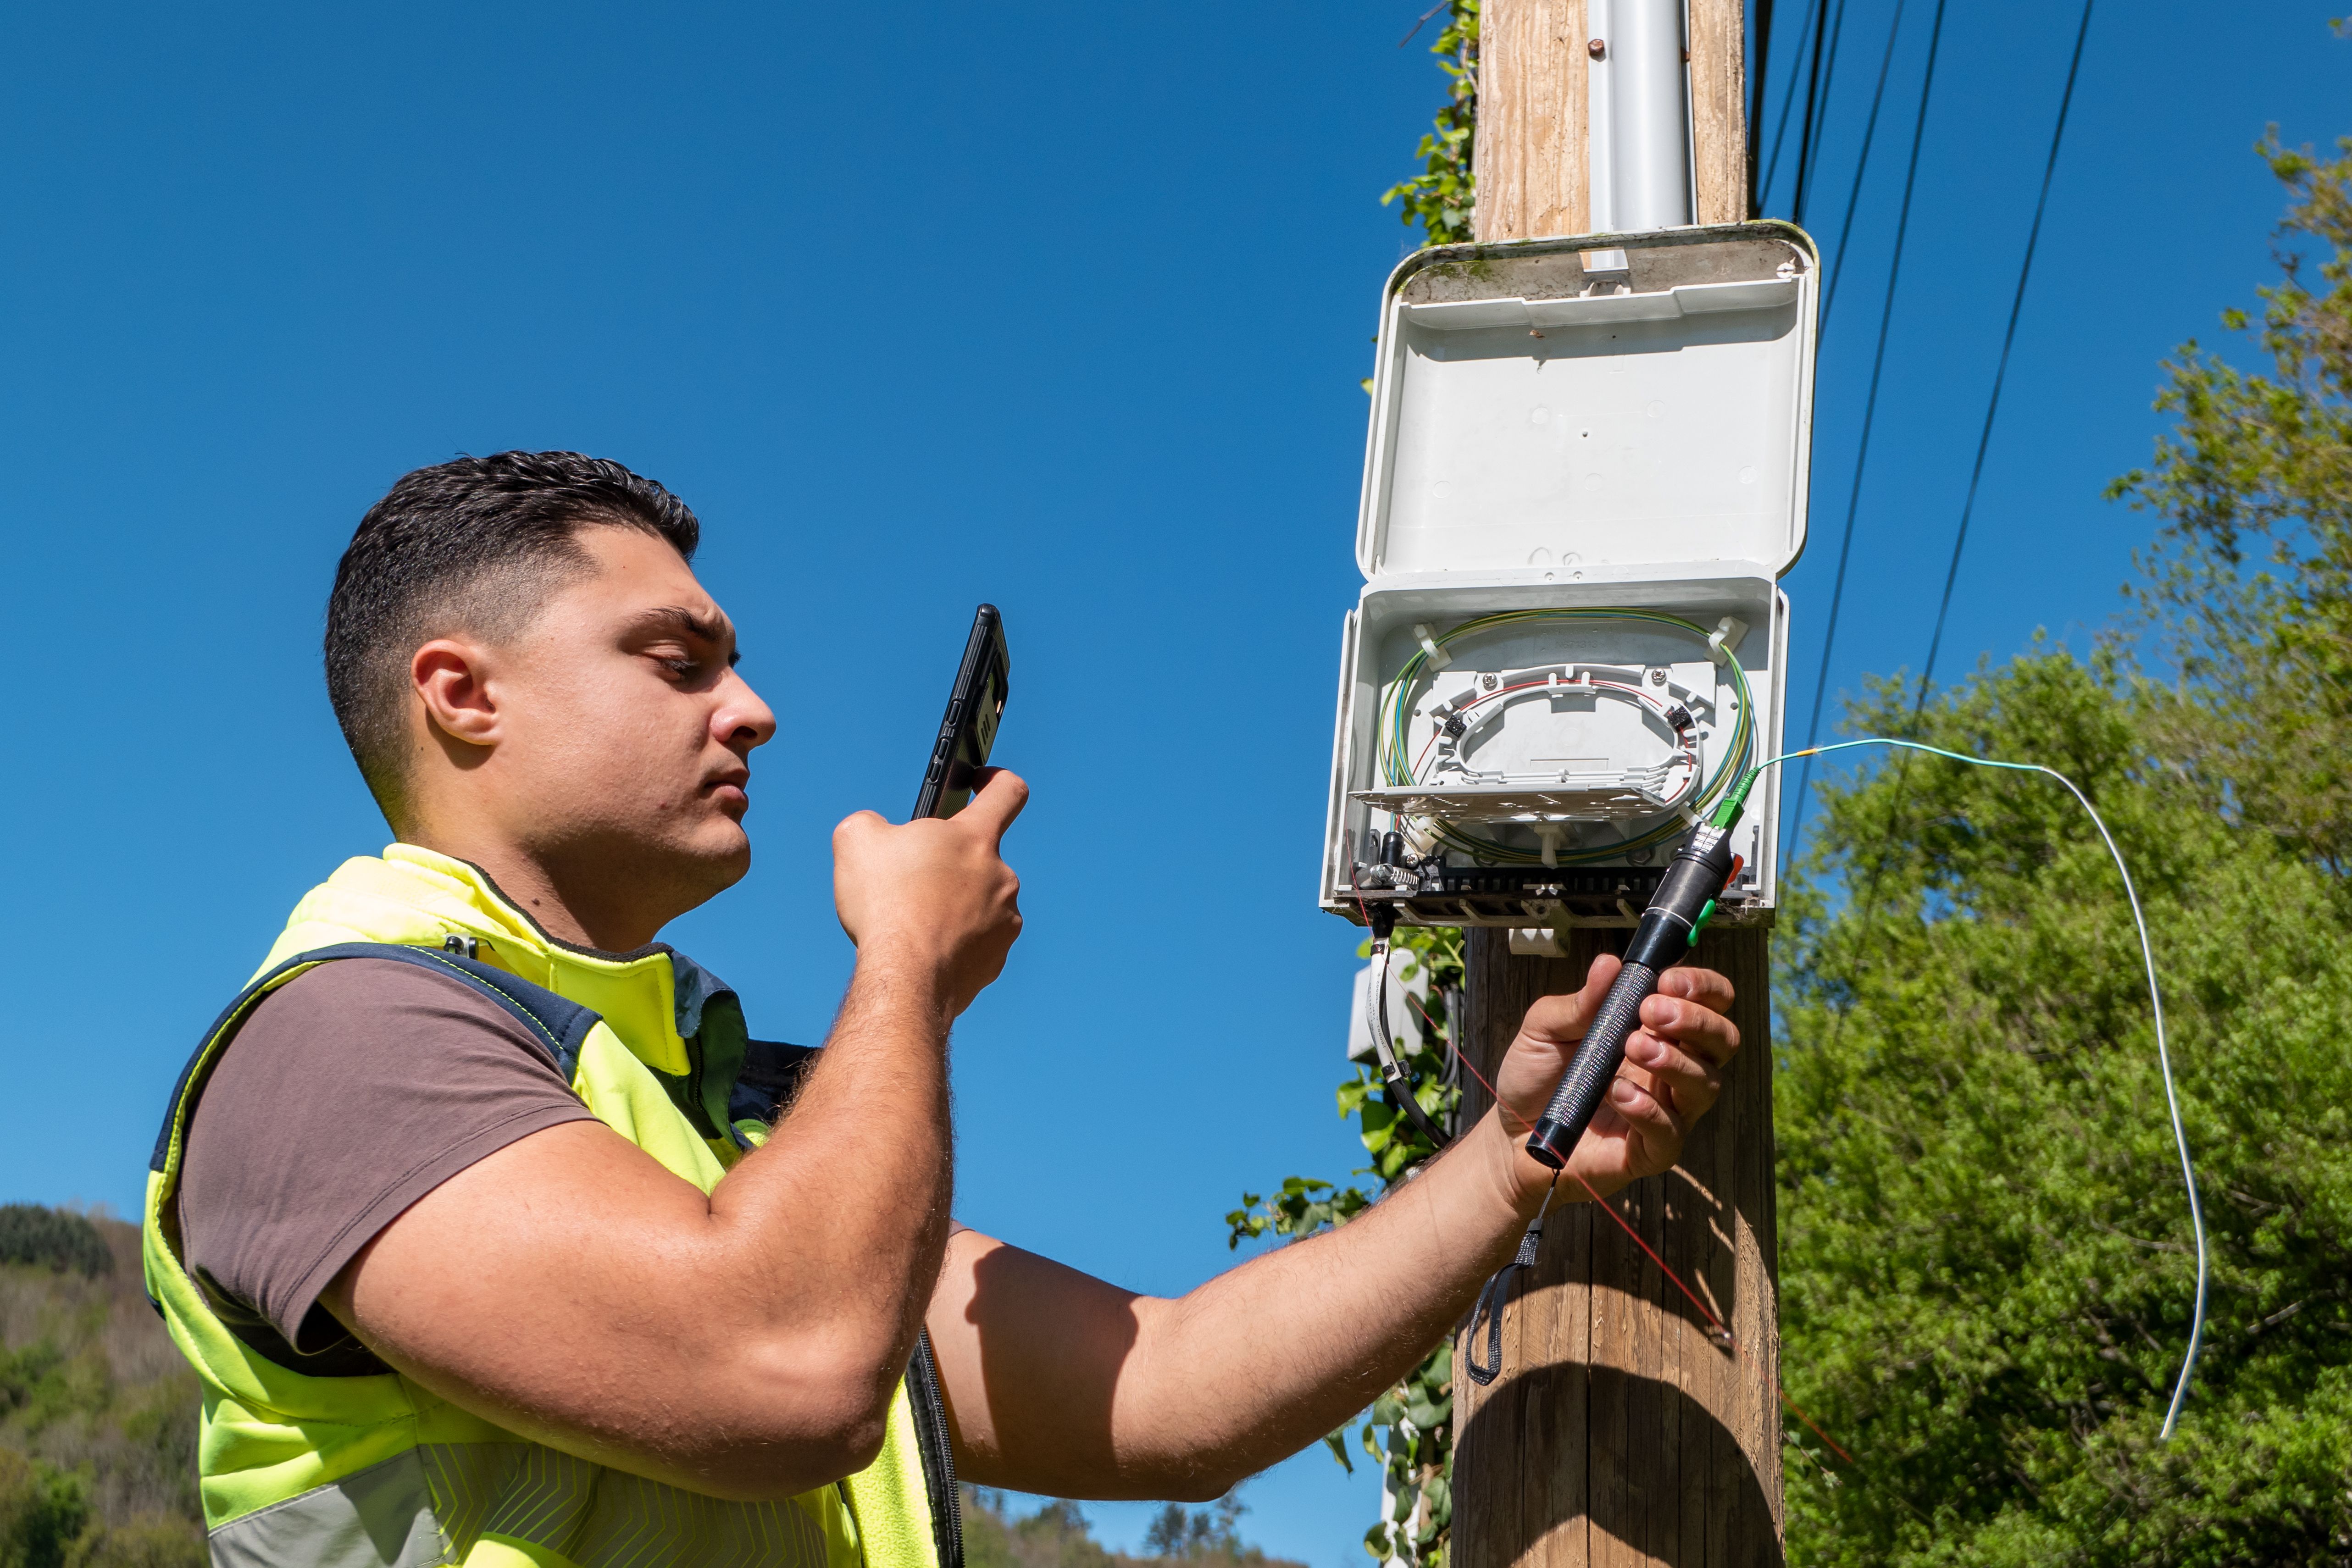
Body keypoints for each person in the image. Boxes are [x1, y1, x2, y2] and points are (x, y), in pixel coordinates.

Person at [141, 451, 1742, 1568]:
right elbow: (790, 1366)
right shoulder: (339, 1045)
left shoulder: (726, 1116)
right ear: (461, 694)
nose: (751, 707)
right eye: (675, 659)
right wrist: (904, 970)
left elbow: (1168, 1390)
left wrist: (1511, 1157)